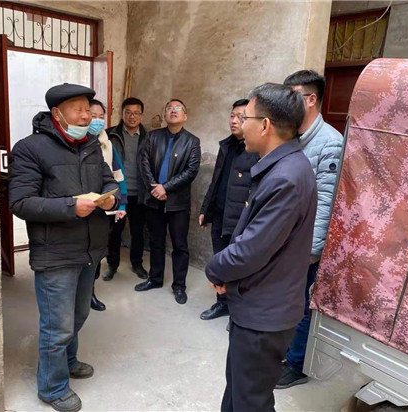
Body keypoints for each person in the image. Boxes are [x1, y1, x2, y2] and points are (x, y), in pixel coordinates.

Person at [205, 83, 317, 412]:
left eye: (246, 118)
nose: (240, 124)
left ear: (265, 125)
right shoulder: (282, 167)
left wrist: (215, 269)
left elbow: (251, 250)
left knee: (250, 401)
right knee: (239, 392)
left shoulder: (286, 177)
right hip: (258, 303)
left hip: (264, 313)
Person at [9, 83, 119, 412]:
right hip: (55, 252)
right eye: (78, 110)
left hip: (89, 248)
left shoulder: (91, 145)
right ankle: (52, 388)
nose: (87, 116)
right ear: (57, 114)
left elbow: (108, 179)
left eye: (89, 109)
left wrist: (110, 197)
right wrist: (71, 206)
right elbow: (21, 202)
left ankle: (68, 362)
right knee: (57, 326)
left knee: (79, 314)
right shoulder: (30, 148)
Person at [276, 70, 344, 389]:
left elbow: (327, 201)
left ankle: (297, 364)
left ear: (311, 99)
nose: (285, 103)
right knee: (286, 300)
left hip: (305, 245)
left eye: (291, 96)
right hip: (287, 238)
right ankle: (284, 352)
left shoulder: (330, 142)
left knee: (302, 305)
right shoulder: (293, 136)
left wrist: (311, 250)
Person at [135, 99, 201, 305]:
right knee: (156, 241)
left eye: (178, 108)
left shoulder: (192, 141)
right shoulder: (153, 136)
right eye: (169, 108)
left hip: (177, 203)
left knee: (180, 245)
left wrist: (166, 188)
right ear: (164, 114)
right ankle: (155, 279)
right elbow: (143, 162)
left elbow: (191, 171)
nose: (173, 111)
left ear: (185, 116)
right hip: (154, 199)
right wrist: (154, 187)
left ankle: (179, 285)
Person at [198, 99, 258, 321]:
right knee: (220, 262)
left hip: (239, 220)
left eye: (240, 117)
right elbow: (216, 181)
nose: (234, 121)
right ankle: (221, 304)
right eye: (232, 116)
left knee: (239, 267)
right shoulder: (226, 146)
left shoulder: (255, 150)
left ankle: (237, 311)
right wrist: (206, 209)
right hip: (220, 216)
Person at [88, 99, 128, 312]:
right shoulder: (74, 143)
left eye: (101, 116)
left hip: (103, 207)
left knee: (96, 252)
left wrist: (122, 204)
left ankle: (90, 292)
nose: (97, 120)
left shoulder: (108, 144)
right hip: (79, 207)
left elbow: (119, 175)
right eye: (92, 115)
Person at [103, 97, 149, 281]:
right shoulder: (110, 135)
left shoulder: (148, 137)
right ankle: (112, 265)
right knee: (114, 232)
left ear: (141, 116)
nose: (132, 117)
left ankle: (137, 263)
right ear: (122, 114)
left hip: (140, 192)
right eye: (128, 112)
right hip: (117, 193)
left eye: (136, 113)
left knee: (138, 231)